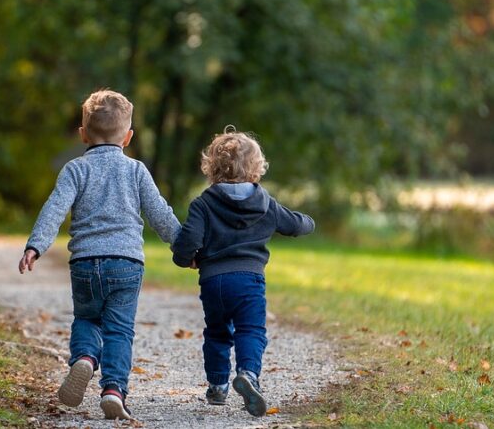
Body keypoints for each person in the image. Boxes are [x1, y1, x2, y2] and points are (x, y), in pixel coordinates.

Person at [18, 89, 180, 421]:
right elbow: (160, 214)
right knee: (119, 329)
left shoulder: (75, 170)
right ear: (129, 137)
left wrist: (36, 245)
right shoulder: (136, 171)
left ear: (83, 134)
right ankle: (114, 390)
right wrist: (185, 247)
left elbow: (54, 210)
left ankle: (85, 358)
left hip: (84, 263)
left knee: (87, 318)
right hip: (126, 263)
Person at [171, 128, 315, 417]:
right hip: (249, 281)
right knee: (251, 330)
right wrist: (310, 222)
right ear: (256, 169)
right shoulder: (265, 204)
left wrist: (187, 259)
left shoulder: (203, 203)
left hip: (213, 282)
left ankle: (218, 386)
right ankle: (248, 374)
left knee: (216, 332)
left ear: (212, 168)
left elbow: (188, 241)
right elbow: (296, 225)